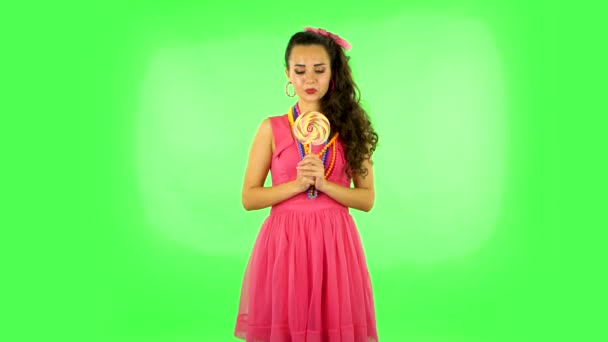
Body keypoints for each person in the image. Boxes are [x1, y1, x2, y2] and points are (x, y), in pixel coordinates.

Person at [234, 26, 380, 342]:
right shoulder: (270, 129)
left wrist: (325, 184)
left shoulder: (352, 126)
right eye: (300, 71)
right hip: (284, 242)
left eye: (319, 70)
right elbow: (249, 197)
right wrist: (298, 184)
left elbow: (366, 200)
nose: (309, 79)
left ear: (333, 74)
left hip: (334, 242)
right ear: (288, 74)